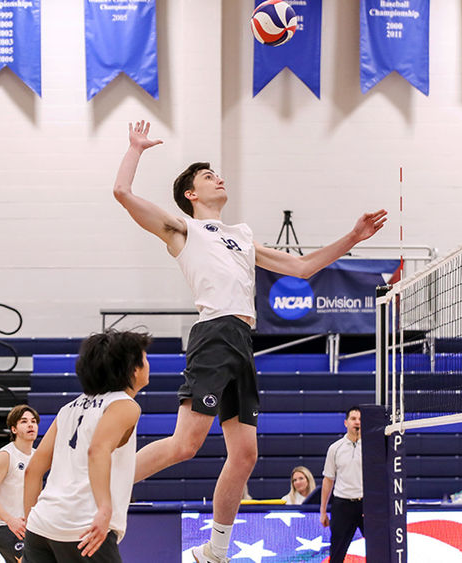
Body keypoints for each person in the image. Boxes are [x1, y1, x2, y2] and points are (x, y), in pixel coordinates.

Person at [115, 120, 387, 563]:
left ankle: (214, 552)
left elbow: (302, 268)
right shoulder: (183, 229)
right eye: (208, 176)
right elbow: (123, 194)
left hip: (242, 339)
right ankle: (103, 486)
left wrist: (352, 237)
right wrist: (136, 149)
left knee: (245, 455)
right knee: (186, 444)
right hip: (215, 332)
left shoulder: (240, 235)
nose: (217, 178)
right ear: (191, 194)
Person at [23, 329, 151, 562]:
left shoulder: (68, 408)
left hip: (40, 527)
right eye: (144, 357)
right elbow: (98, 450)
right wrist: (104, 508)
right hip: (84, 530)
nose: (148, 363)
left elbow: (33, 471)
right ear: (133, 368)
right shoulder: (124, 405)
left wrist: (30, 529)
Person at [0, 404, 39, 563]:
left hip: (25, 525)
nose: (31, 424)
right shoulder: (5, 455)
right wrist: (10, 520)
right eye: (24, 421)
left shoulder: (38, 456)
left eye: (33, 421)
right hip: (0, 524)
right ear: (14, 429)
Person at [319, 406, 363, 563]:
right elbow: (328, 479)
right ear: (346, 423)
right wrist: (323, 510)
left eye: (360, 419)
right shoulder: (335, 448)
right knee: (337, 551)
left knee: (377, 548)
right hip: (342, 505)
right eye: (353, 419)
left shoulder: (372, 448)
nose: (357, 422)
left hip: (366, 505)